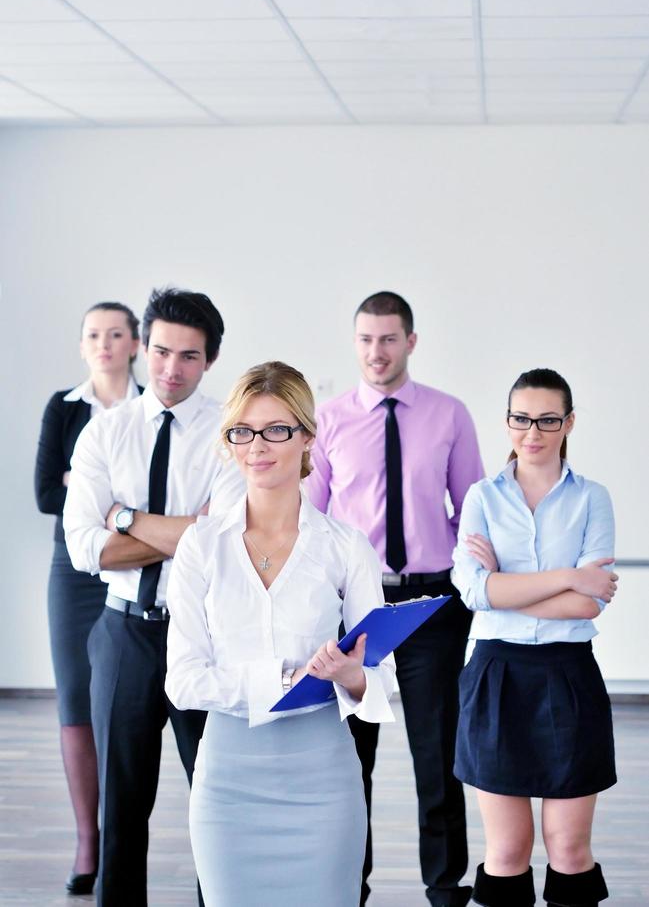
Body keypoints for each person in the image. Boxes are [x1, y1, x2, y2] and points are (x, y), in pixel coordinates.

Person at [165, 361, 395, 907]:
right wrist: (283, 678)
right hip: (226, 784)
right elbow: (182, 682)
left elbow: (382, 681)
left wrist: (351, 676)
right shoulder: (201, 547)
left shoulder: (345, 545)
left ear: (307, 436)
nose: (257, 446)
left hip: (324, 781)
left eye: (276, 429)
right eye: (242, 432)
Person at [63, 287, 245, 907]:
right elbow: (87, 550)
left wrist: (124, 517)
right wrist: (180, 529)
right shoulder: (103, 435)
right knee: (122, 805)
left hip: (205, 636)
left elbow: (221, 542)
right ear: (144, 346)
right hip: (123, 635)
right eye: (162, 351)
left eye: (188, 357)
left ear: (210, 360)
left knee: (212, 802)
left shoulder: (231, 438)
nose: (171, 369)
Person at [307, 291, 484, 907]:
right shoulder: (326, 421)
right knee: (352, 759)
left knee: (437, 756)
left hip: (431, 604)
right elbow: (312, 522)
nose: (375, 352)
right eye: (364, 339)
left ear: (411, 341)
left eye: (388, 339)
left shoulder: (450, 414)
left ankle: (445, 886)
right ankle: (348, 886)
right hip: (356, 607)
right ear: (353, 343)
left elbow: (471, 514)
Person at [452, 368, 617, 907]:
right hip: (497, 675)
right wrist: (569, 574)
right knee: (506, 852)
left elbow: (589, 602)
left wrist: (509, 584)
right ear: (507, 423)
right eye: (522, 419)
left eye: (548, 419)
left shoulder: (592, 497)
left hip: (569, 674)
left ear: (568, 423)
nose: (534, 431)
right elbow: (475, 593)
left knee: (569, 847)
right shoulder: (480, 496)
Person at [34, 300, 142, 895]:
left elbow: (156, 492)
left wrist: (93, 487)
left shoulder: (152, 409)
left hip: (140, 565)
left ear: (134, 344)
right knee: (76, 699)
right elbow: (48, 492)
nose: (104, 343)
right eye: (93, 335)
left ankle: (122, 831)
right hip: (73, 572)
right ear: (83, 346)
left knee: (125, 702)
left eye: (116, 334)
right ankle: (87, 841)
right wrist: (110, 496)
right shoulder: (65, 408)